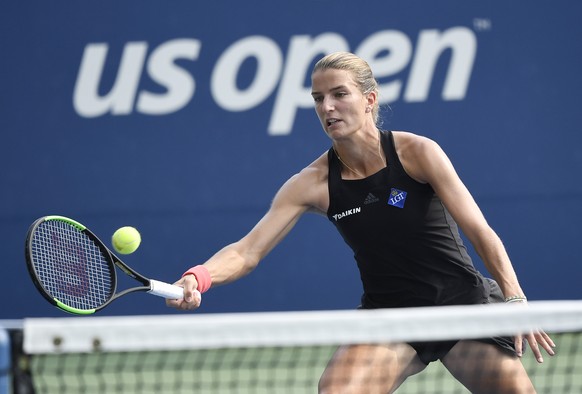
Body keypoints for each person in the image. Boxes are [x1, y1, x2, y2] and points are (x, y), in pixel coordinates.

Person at [167, 51, 555, 393]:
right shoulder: (312, 183)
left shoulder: (417, 152)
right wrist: (199, 276)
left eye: (339, 94)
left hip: (460, 306)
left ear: (369, 100)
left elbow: (479, 230)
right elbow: (247, 251)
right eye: (318, 99)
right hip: (389, 317)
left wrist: (514, 299)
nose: (327, 107)